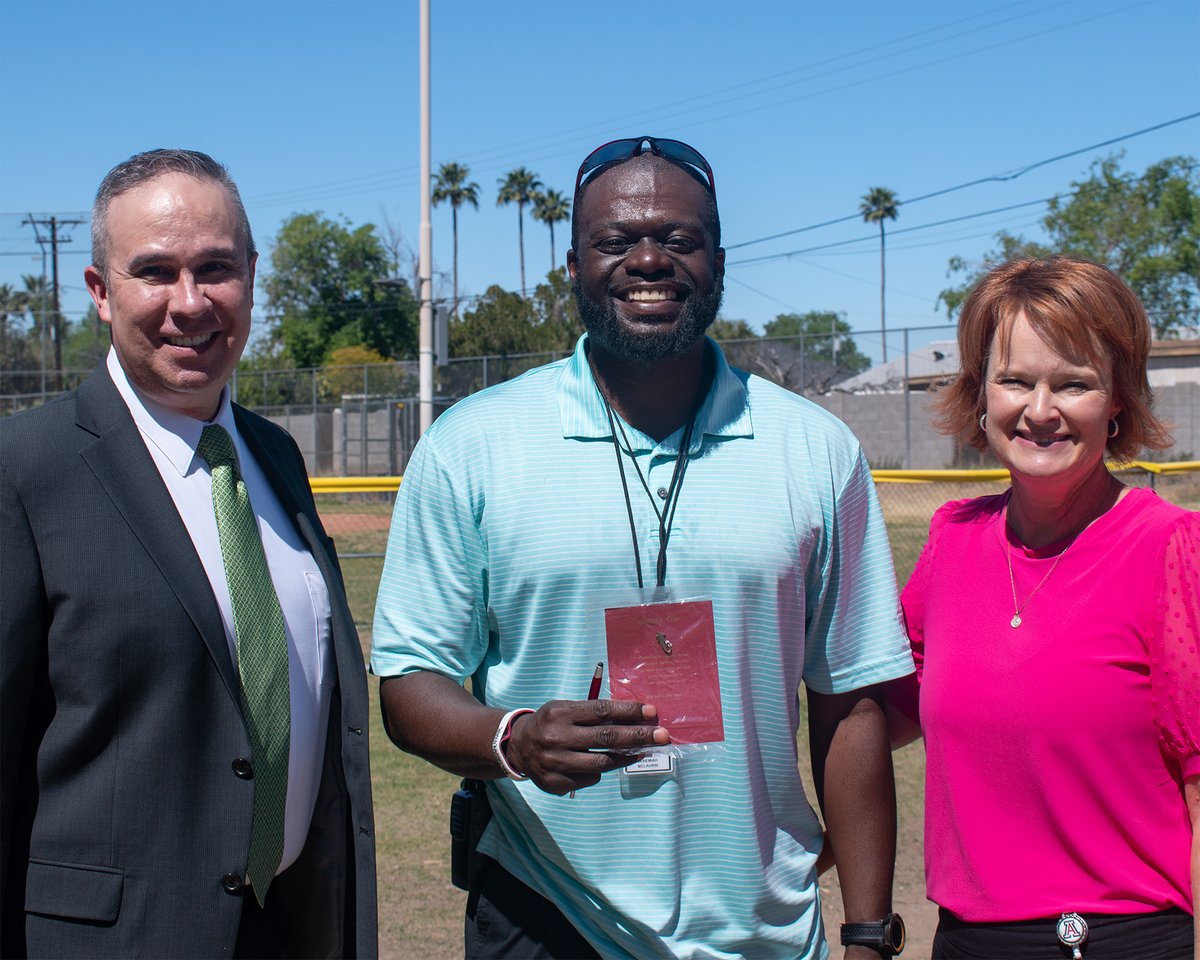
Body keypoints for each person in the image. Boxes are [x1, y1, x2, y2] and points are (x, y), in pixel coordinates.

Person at [372, 136, 914, 959]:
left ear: (720, 261)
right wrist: (512, 738)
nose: (649, 259)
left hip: (762, 933)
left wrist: (870, 934)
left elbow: (851, 704)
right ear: (573, 265)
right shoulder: (472, 444)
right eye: (616, 241)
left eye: (679, 238)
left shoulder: (815, 449)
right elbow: (411, 683)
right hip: (547, 914)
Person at [0, 149, 376, 958]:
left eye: (215, 268)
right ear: (101, 292)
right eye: (154, 272)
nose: (190, 302)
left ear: (252, 274)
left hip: (291, 929)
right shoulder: (23, 471)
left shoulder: (275, 458)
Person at [892, 257, 1199, 958]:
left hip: (1128, 939)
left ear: (1117, 400)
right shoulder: (953, 540)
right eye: (1015, 380)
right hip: (968, 941)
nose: (1039, 410)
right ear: (980, 392)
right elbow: (883, 713)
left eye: (1073, 384)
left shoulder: (1172, 550)